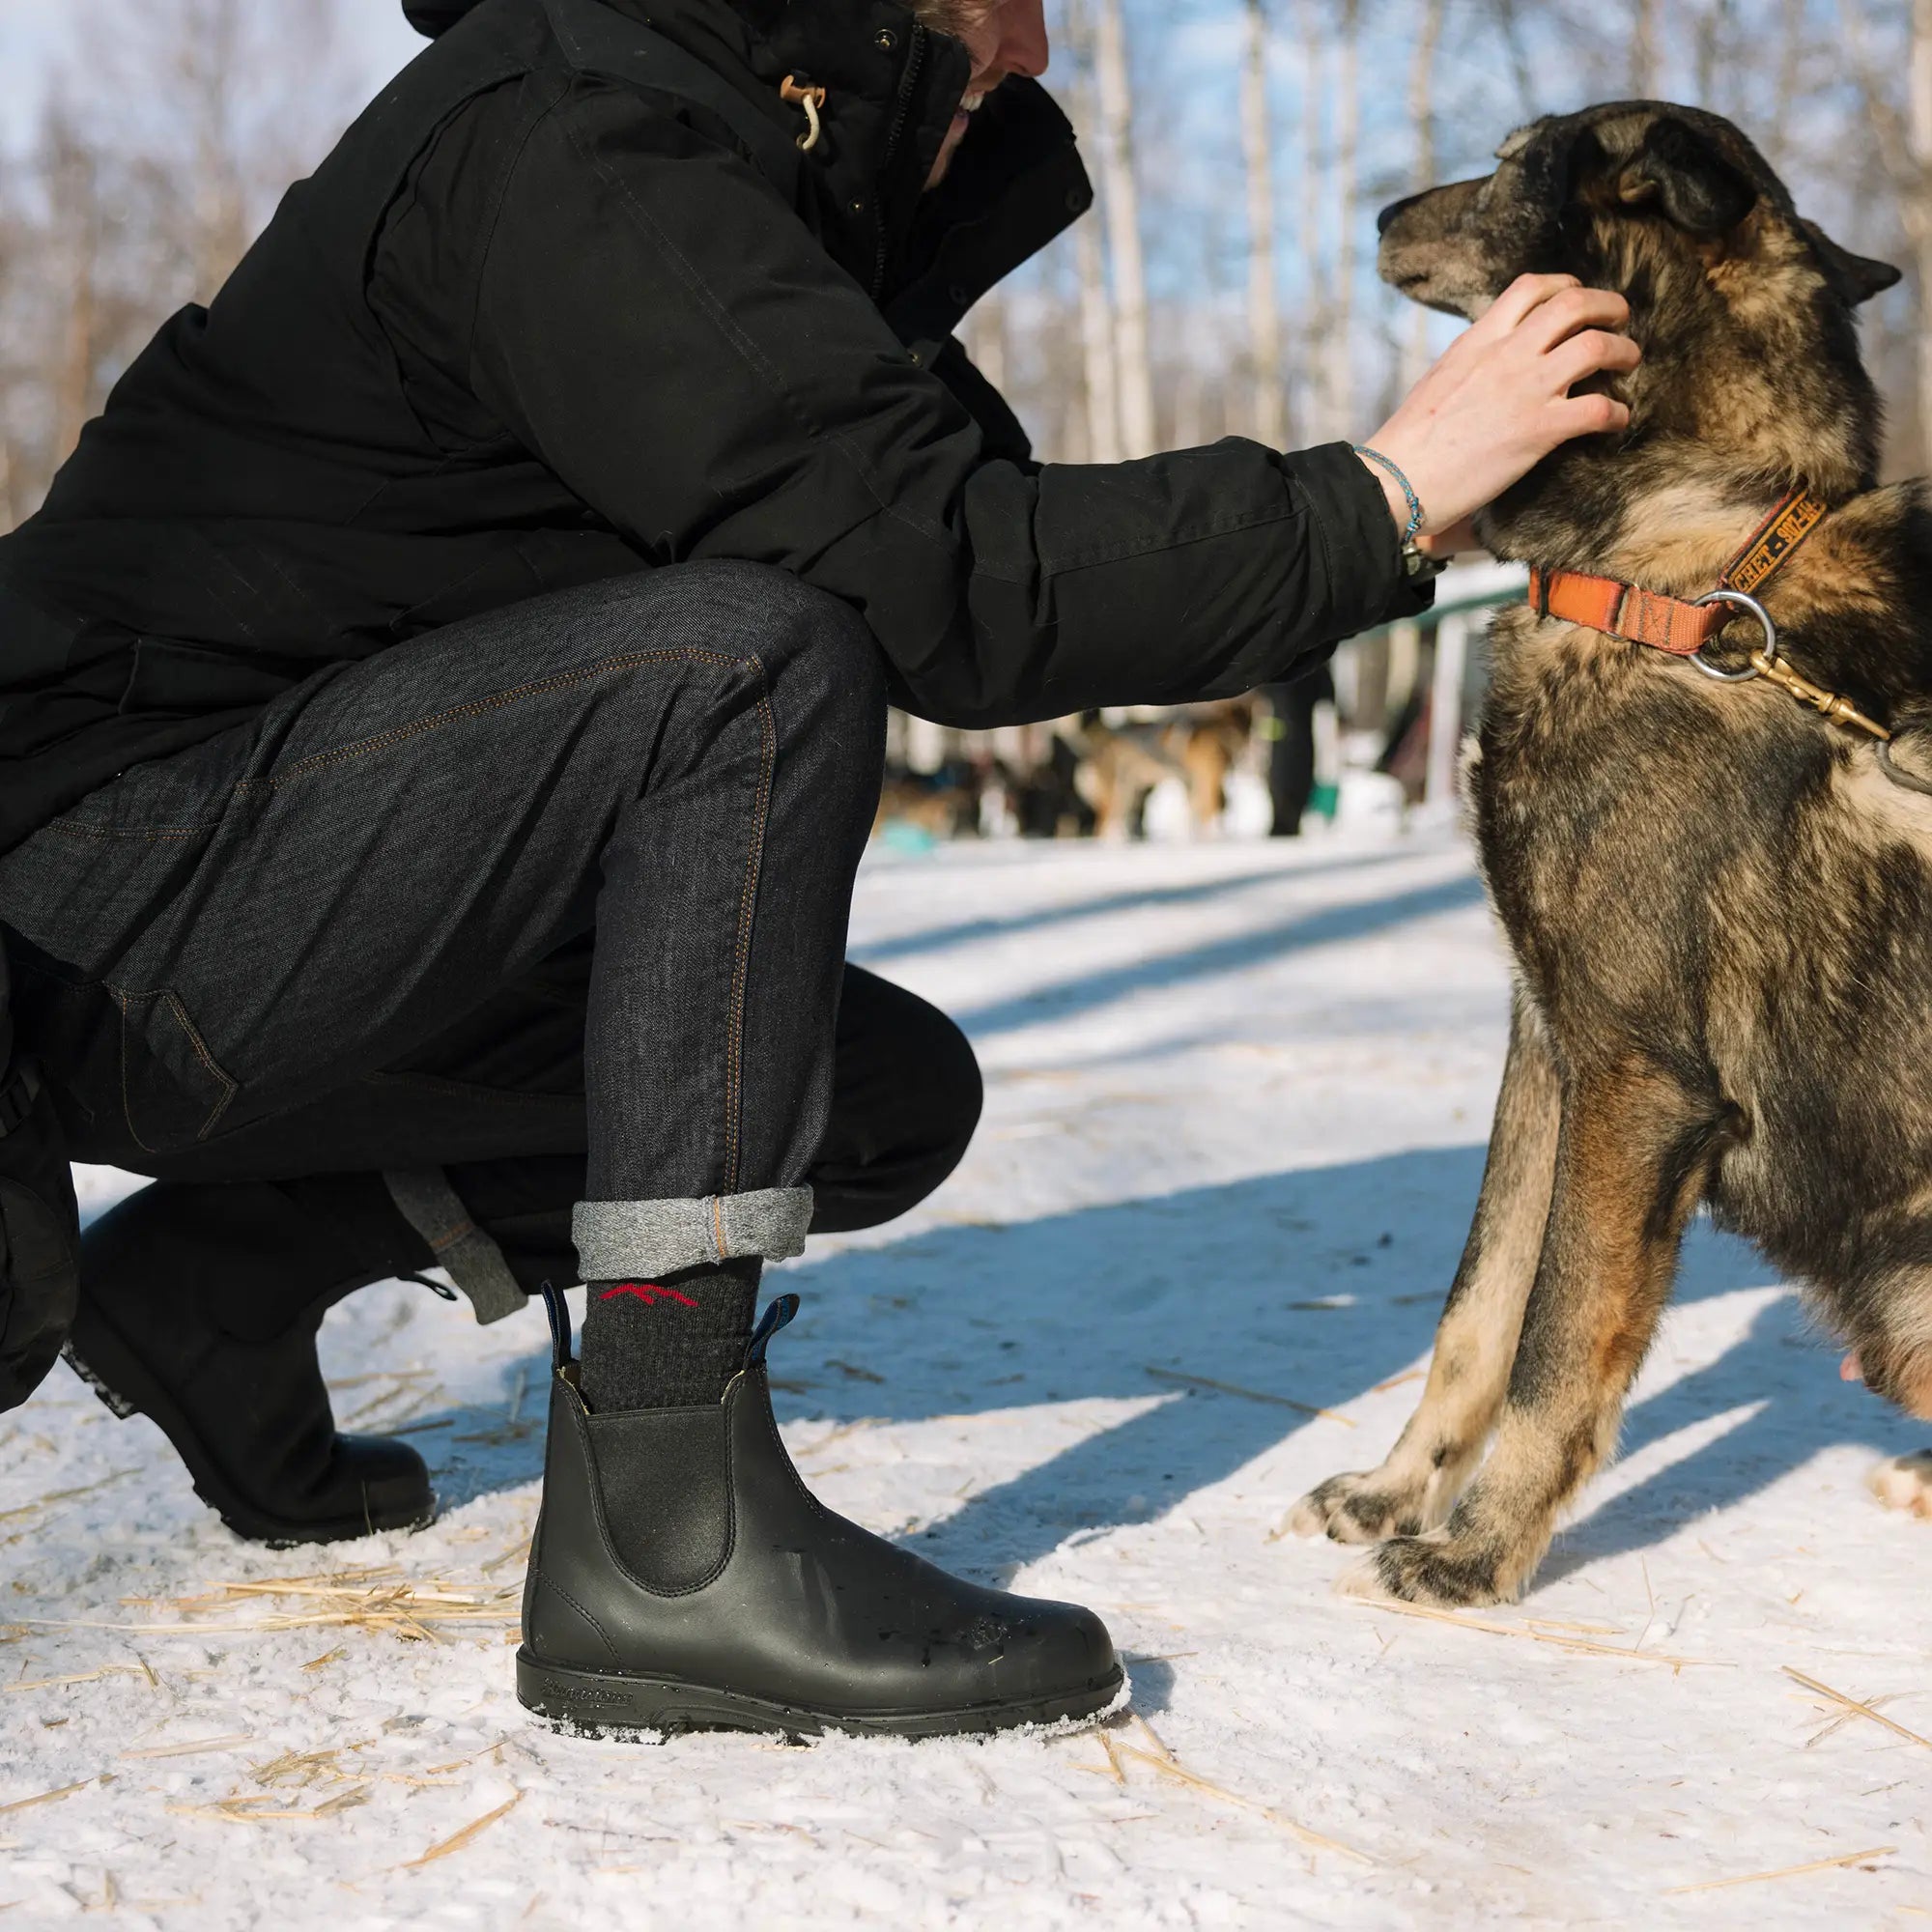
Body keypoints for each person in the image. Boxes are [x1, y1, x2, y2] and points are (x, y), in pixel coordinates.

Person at [0, 0, 1638, 1738]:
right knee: (744, 670)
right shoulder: (583, 136)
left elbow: (988, 557)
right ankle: (668, 1538)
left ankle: (221, 1278)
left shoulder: (731, 161)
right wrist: (1374, 492)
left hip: (273, 903)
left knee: (864, 1096)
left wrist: (1395, 513)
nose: (1043, 47)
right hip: (93, 908)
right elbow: (937, 581)